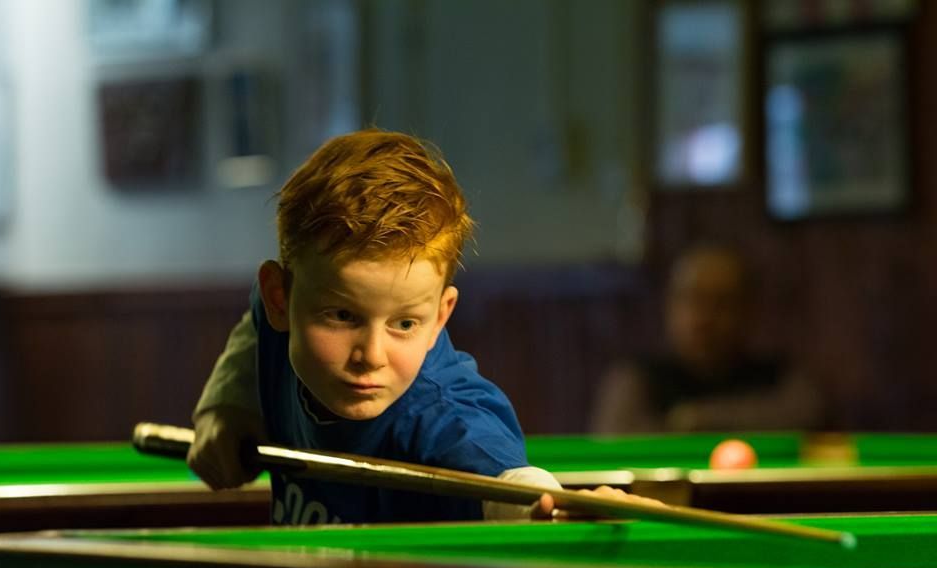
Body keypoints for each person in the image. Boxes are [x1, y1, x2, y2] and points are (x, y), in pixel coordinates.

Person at [190, 129, 648, 524]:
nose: (371, 354)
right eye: (342, 316)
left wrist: (556, 507)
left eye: (405, 323)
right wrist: (224, 407)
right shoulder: (275, 325)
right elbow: (255, 330)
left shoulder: (443, 416)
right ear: (280, 299)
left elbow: (509, 486)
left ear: (441, 317)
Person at [589, 245, 823, 434]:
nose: (704, 318)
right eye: (692, 299)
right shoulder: (636, 379)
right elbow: (615, 435)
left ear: (749, 310)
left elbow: (810, 417)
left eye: (720, 302)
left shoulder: (780, 377)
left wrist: (696, 419)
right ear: (670, 306)